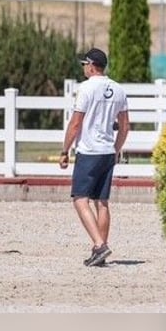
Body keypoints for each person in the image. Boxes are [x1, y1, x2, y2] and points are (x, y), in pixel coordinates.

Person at [59, 48, 129, 267]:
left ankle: (99, 244)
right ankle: (100, 249)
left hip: (89, 151)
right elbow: (125, 126)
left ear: (91, 65)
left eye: (84, 64)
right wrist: (116, 148)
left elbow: (76, 123)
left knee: (80, 200)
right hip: (108, 151)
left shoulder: (86, 88)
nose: (83, 68)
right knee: (102, 202)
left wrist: (65, 150)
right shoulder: (118, 89)